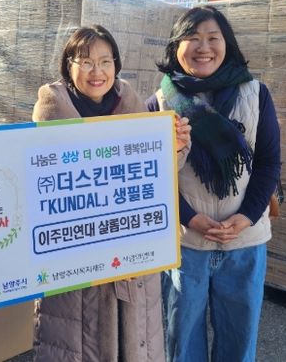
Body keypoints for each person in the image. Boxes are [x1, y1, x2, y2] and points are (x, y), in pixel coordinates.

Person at [31, 25, 191, 362]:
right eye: (86, 62)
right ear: (68, 65)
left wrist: (174, 147)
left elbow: (151, 178)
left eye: (106, 61)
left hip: (132, 266)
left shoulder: (131, 103)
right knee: (81, 346)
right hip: (77, 270)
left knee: (134, 345)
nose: (97, 72)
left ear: (116, 65)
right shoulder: (52, 107)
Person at [146, 5, 281, 362]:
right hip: (185, 245)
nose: (203, 47)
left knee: (239, 343)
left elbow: (268, 163)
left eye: (212, 38)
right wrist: (190, 218)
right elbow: (153, 177)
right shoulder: (159, 104)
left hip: (245, 243)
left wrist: (246, 216)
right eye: (192, 38)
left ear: (227, 44)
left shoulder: (256, 94)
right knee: (182, 343)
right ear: (176, 47)